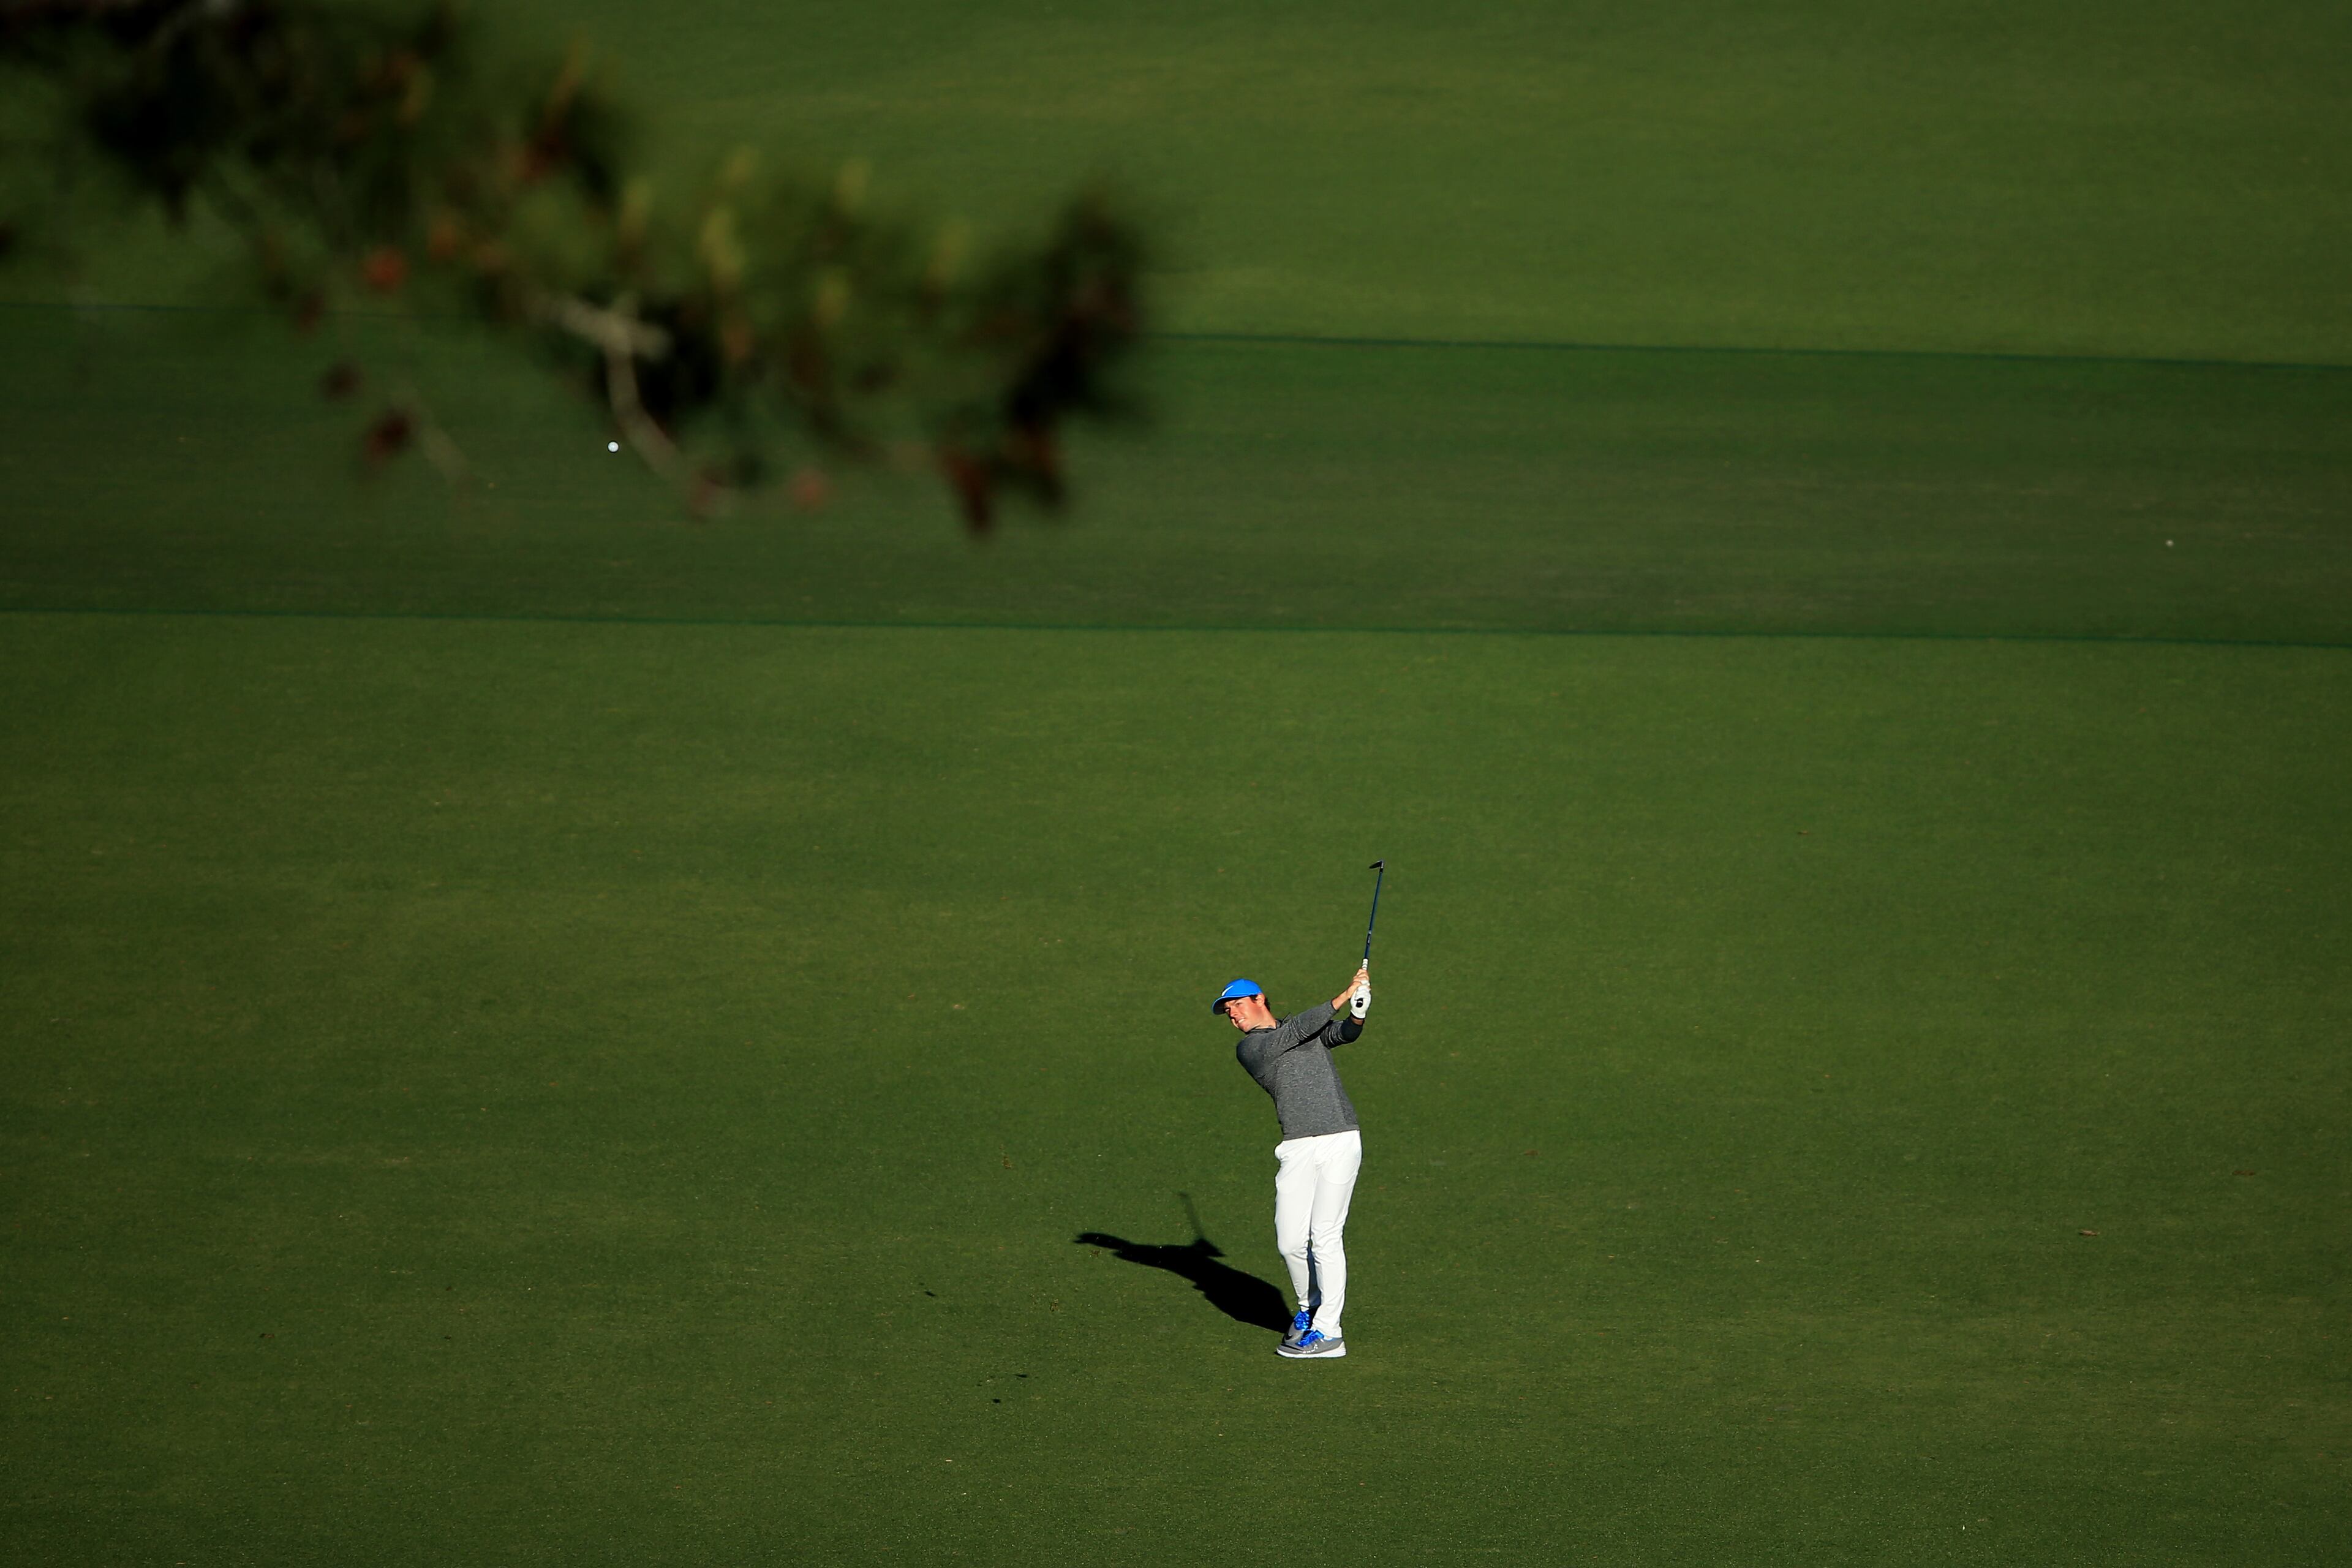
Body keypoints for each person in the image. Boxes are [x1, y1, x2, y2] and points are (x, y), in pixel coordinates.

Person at [1213, 965, 1372, 1360]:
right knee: (1289, 1242)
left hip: (1338, 1139)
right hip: (1298, 1147)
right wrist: (1341, 994)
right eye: (1228, 1011)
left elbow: (1342, 1034)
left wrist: (1358, 1011)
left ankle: (1329, 1333)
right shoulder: (1251, 1049)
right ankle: (1310, 1306)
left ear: (1259, 999)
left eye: (1236, 1005)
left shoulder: (1301, 1031)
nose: (1233, 1015)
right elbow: (1297, 1031)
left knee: (1325, 1236)